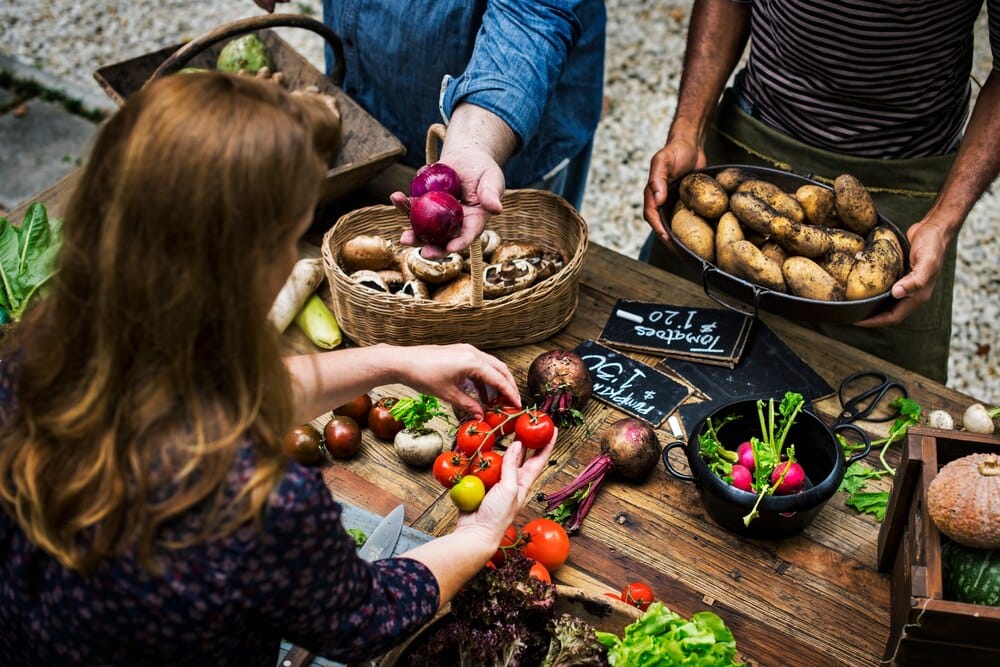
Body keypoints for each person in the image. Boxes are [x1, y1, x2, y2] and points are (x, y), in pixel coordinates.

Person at [0, 72, 555, 665]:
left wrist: (395, 362)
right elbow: (363, 619)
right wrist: (477, 535)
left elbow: (220, 403)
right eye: (288, 238)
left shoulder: (28, 369)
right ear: (241, 273)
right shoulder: (260, 504)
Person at [642, 0, 1000, 383]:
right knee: (662, 363)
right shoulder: (728, 200)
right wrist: (686, 130)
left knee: (873, 401)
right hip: (747, 153)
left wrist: (941, 224)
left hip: (900, 183)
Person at [253, 0, 605, 258]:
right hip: (373, 92)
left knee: (512, 261)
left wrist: (475, 143)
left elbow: (531, 18)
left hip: (500, 125)